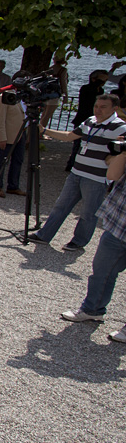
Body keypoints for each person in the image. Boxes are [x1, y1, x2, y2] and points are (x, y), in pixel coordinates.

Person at [27, 94, 126, 252]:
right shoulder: (90, 121)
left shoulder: (120, 128)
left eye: (103, 107)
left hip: (97, 178)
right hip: (76, 173)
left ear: (115, 108)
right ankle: (44, 235)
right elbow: (70, 136)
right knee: (61, 205)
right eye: (96, 106)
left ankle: (79, 241)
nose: (98, 110)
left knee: (88, 213)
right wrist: (45, 130)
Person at [59, 145, 126, 343]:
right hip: (118, 223)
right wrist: (123, 153)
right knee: (102, 270)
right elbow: (112, 175)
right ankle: (92, 309)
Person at [0, 71, 29, 198]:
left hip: (21, 134)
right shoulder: (5, 96)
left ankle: (13, 186)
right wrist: (1, 137)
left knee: (18, 160)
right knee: (2, 161)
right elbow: (0, 119)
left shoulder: (24, 97)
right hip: (8, 135)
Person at [66, 70, 109, 170]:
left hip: (93, 119)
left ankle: (79, 163)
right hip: (82, 118)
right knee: (77, 143)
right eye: (101, 80)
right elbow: (89, 97)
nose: (103, 83)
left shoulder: (100, 91)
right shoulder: (86, 88)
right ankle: (71, 164)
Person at [40, 54, 69, 131]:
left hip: (45, 93)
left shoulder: (49, 69)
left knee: (43, 114)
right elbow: (63, 83)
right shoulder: (62, 70)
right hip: (55, 94)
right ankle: (40, 132)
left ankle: (37, 131)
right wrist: (65, 96)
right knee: (47, 115)